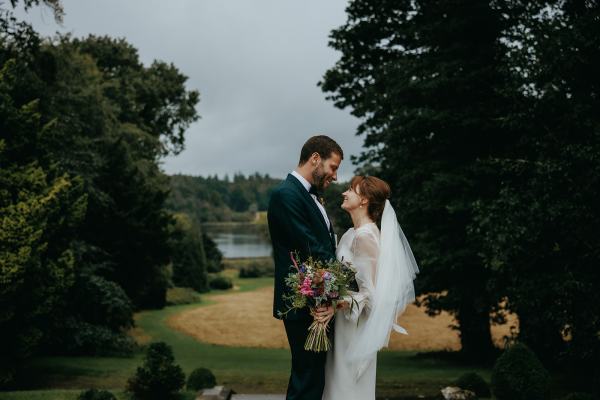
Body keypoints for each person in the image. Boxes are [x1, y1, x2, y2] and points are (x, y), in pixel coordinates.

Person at [322, 176, 419, 400]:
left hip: (354, 327)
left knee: (346, 390)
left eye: (350, 190)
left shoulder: (366, 238)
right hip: (343, 324)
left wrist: (336, 303)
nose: (344, 193)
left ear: (364, 200)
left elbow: (373, 296)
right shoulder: (351, 234)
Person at [267, 135, 343, 400]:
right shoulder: (285, 195)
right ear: (315, 159)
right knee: (306, 379)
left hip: (317, 298)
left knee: (312, 376)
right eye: (333, 167)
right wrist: (340, 289)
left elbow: (324, 247)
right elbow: (311, 249)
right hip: (303, 303)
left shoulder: (312, 196)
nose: (335, 176)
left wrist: (330, 295)